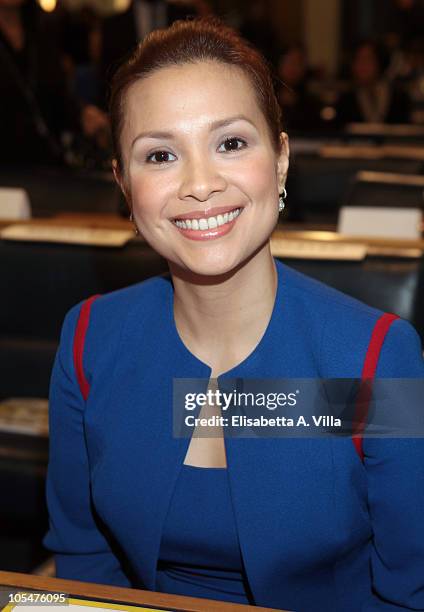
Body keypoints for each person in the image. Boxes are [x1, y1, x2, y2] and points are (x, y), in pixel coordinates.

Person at [43, 18, 424, 612]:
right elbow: (83, 558)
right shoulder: (90, 340)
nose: (200, 184)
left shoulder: (371, 360)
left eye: (231, 143)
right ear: (123, 184)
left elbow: (410, 590)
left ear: (280, 160)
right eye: (161, 154)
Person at [335, 41, 411, 125]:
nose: (362, 65)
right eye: (357, 59)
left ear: (380, 62)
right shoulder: (345, 100)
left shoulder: (398, 97)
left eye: (368, 59)